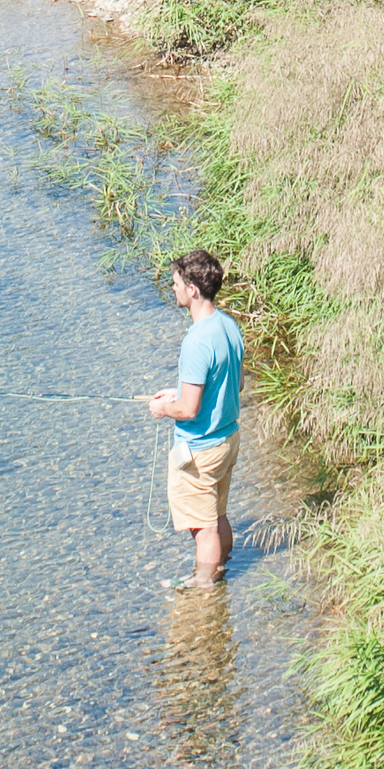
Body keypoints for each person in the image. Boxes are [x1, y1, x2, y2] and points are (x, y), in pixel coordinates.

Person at [148, 247, 243, 587]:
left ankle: (206, 587)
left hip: (200, 450)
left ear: (192, 289)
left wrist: (163, 408)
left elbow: (188, 411)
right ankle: (223, 571)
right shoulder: (229, 327)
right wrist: (180, 392)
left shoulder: (196, 341)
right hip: (228, 440)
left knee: (203, 530)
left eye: (175, 283)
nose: (172, 288)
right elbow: (235, 382)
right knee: (217, 517)